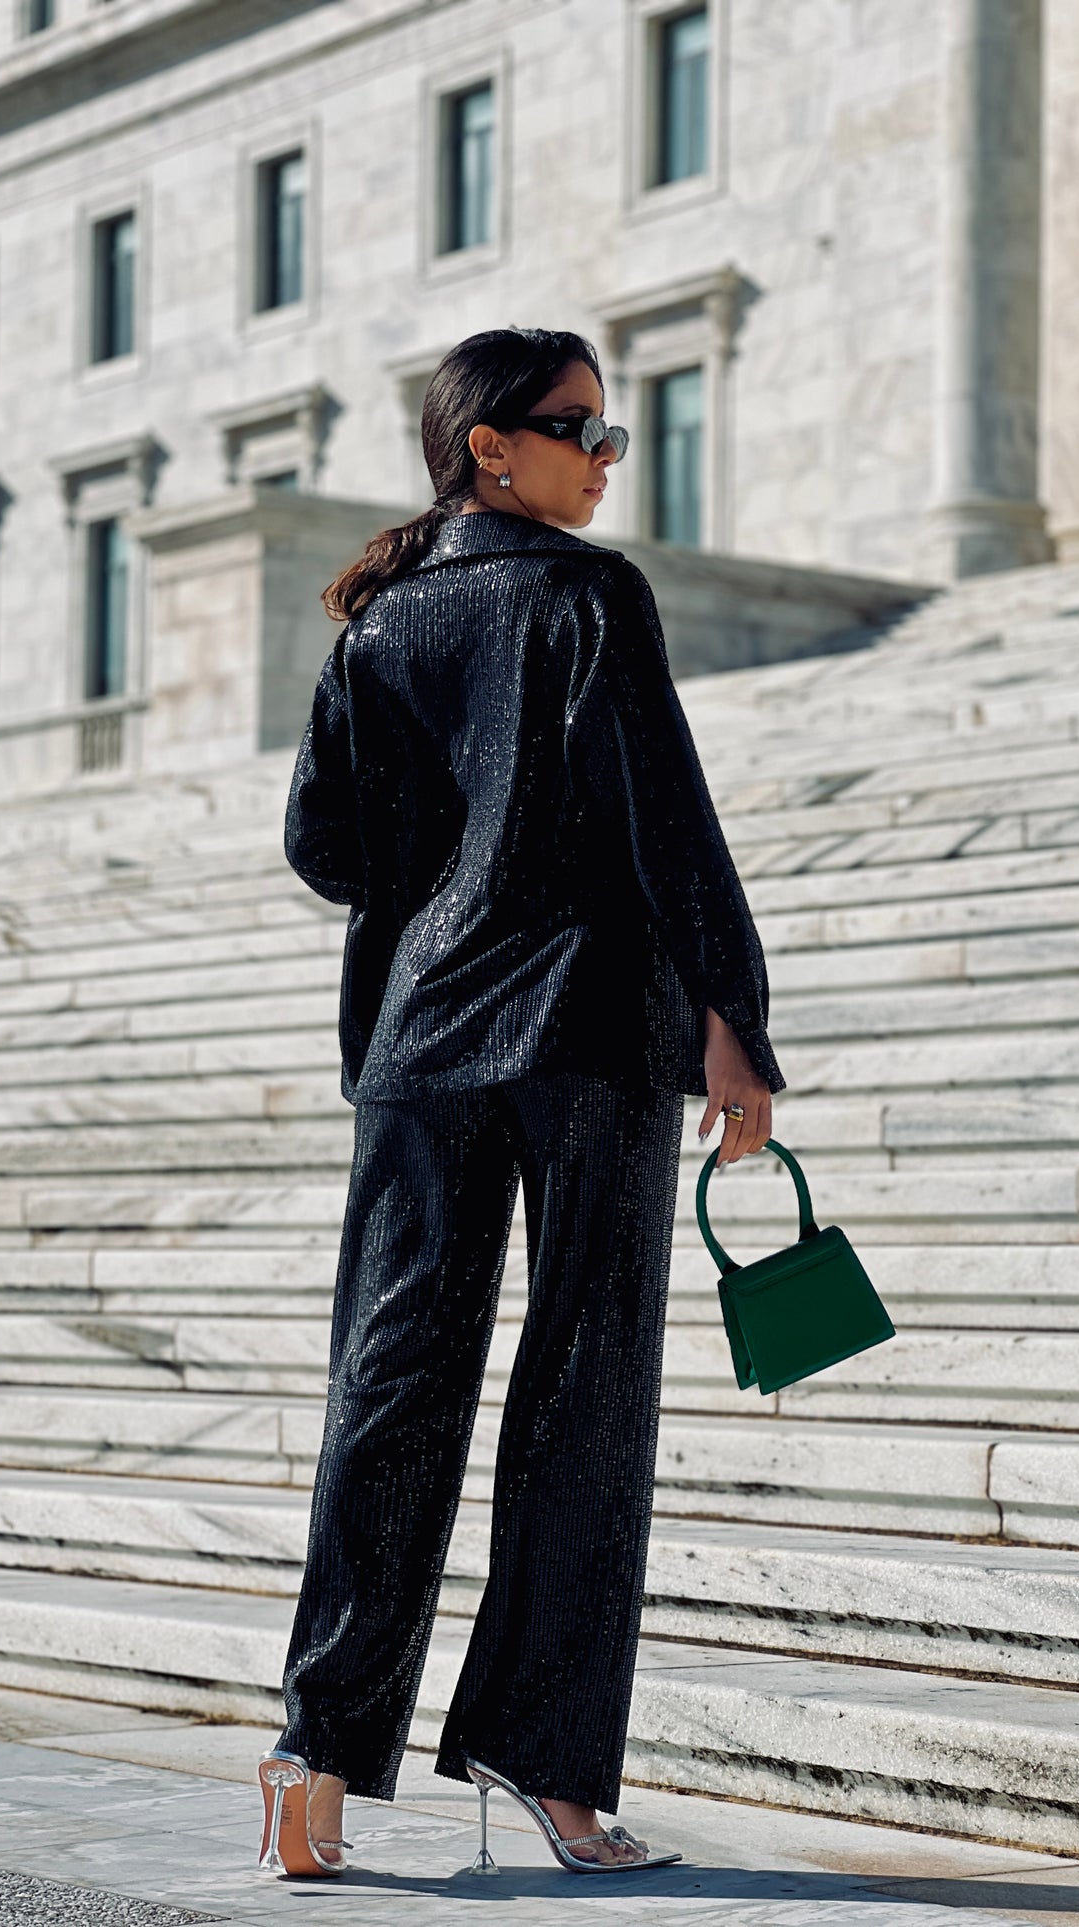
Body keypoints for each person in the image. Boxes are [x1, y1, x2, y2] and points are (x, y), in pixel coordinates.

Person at [256, 326, 786, 1881]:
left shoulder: (379, 622)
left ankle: (313, 1762)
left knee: (390, 1389)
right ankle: (550, 1772)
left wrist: (443, 897)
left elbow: (324, 846)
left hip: (421, 1049)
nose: (604, 458)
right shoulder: (582, 596)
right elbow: (662, 819)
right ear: (490, 445)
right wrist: (732, 1024)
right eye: (582, 430)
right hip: (582, 1038)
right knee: (583, 1394)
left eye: (606, 434)